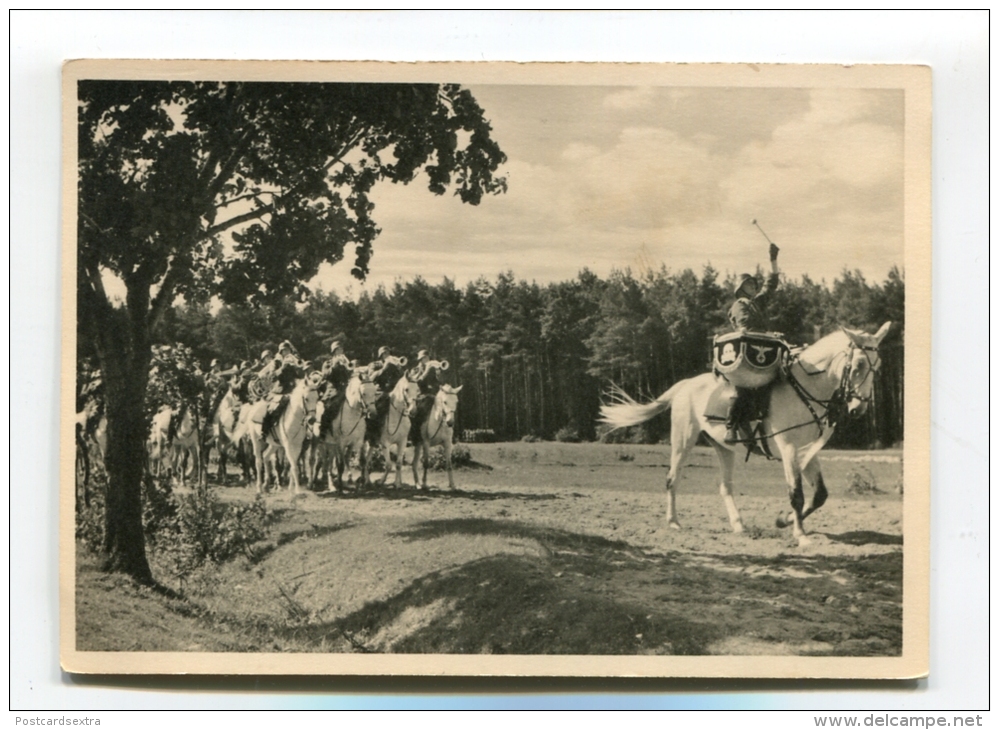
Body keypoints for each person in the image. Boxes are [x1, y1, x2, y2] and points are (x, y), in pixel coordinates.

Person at [725, 242, 780, 444]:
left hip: (762, 353)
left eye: (755, 285)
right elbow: (745, 327)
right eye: (750, 284)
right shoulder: (739, 305)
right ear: (740, 288)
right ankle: (731, 426)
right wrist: (769, 334)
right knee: (743, 386)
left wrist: (773, 260)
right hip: (744, 357)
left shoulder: (755, 303)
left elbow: (771, 286)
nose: (755, 287)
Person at [408, 350, 442, 440]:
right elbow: (418, 382)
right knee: (417, 414)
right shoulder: (415, 369)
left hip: (433, 395)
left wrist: (438, 373)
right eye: (424, 358)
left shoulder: (433, 369)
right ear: (420, 359)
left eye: (427, 357)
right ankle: (415, 437)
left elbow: (439, 382)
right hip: (421, 396)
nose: (426, 359)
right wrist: (427, 370)